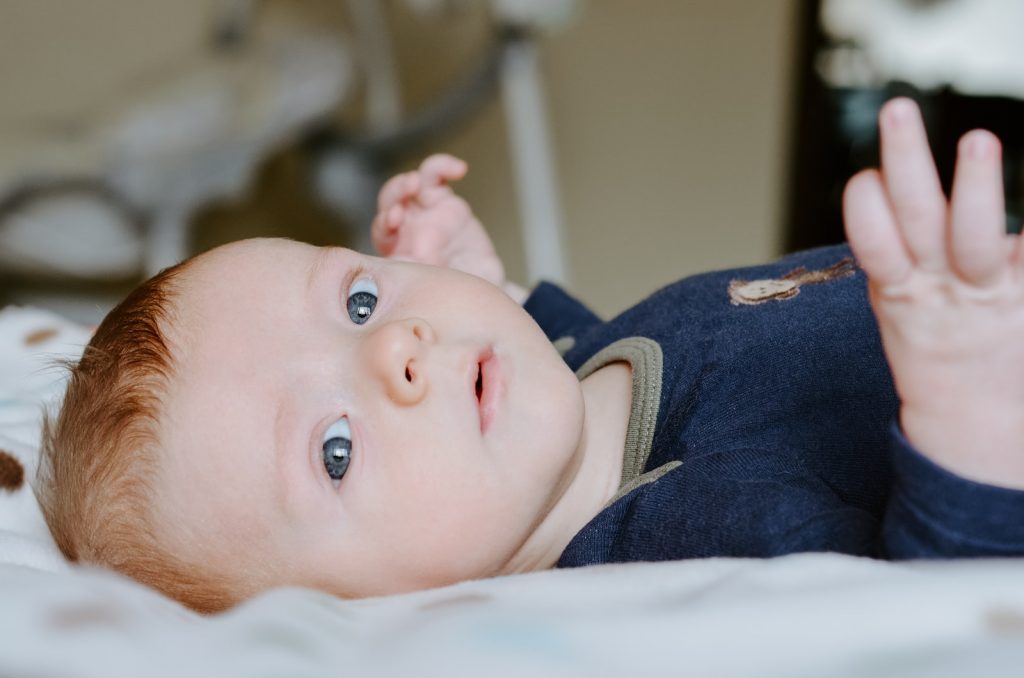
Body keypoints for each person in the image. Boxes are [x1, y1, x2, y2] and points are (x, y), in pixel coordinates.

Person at [36, 98, 1024, 613]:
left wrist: (491, 290)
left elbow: (592, 362)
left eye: (360, 297)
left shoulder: (572, 395)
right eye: (334, 449)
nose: (399, 349)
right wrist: (970, 413)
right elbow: (935, 613)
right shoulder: (695, 540)